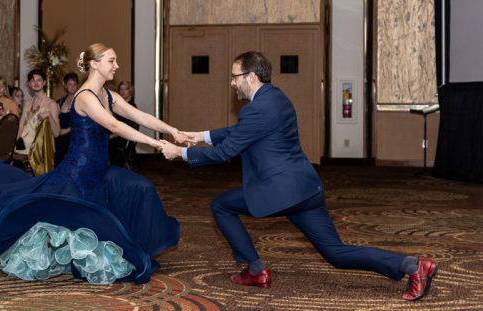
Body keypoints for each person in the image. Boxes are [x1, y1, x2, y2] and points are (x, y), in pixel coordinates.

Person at [158, 51, 438, 301]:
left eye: (234, 77)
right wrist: (202, 135)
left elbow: (226, 151)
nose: (232, 83)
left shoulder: (255, 109)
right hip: (307, 189)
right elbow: (243, 131)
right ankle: (413, 266)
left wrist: (179, 154)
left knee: (220, 205)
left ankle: (256, 271)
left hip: (280, 193)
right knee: (335, 253)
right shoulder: (276, 97)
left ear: (251, 76)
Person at [0, 43, 184, 285]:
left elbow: (140, 116)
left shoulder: (108, 94)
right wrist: (159, 145)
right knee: (32, 213)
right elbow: (115, 126)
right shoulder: (86, 97)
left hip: (99, 173)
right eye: (112, 60)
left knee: (141, 188)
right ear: (94, 64)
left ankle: (139, 243)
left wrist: (174, 131)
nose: (116, 66)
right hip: (77, 175)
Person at [15, 70, 60, 155]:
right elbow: (20, 127)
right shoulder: (28, 103)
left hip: (37, 146)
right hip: (22, 141)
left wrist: (49, 115)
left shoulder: (51, 104)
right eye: (33, 80)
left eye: (39, 80)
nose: (36, 83)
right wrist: (14, 143)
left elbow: (57, 133)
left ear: (44, 83)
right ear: (29, 84)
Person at [109, 81, 138, 167]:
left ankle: (111, 168)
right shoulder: (119, 105)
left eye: (125, 89)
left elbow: (125, 128)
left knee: (103, 141)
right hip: (118, 134)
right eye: (121, 89)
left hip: (124, 137)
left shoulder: (131, 106)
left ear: (130, 91)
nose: (123, 91)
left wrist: (111, 136)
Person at [54, 72, 79, 166]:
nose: (72, 87)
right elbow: (56, 118)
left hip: (73, 132)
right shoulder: (60, 101)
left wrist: (67, 130)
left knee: (63, 144)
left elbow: (81, 121)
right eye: (70, 84)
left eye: (75, 84)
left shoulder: (80, 100)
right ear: (65, 85)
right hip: (59, 132)